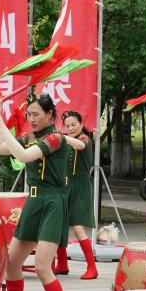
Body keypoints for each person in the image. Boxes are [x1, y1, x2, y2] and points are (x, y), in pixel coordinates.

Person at [0, 93, 87, 291]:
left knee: (42, 265)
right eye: (28, 114)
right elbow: (0, 149)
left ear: (50, 114)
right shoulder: (31, 137)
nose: (31, 119)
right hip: (33, 202)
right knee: (12, 263)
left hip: (52, 202)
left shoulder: (55, 138)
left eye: (35, 114)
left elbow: (23, 157)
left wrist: (2, 126)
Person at [55, 110, 99, 279]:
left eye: (74, 124)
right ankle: (62, 264)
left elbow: (80, 145)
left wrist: (61, 137)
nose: (71, 128)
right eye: (67, 126)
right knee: (59, 226)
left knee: (78, 227)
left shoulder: (85, 139)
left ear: (81, 124)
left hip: (80, 187)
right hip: (65, 186)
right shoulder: (65, 141)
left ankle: (92, 268)